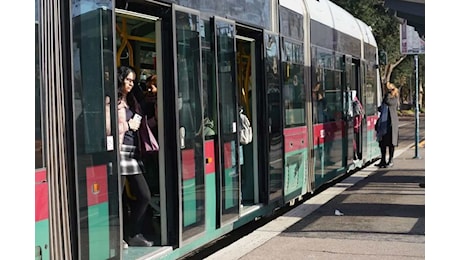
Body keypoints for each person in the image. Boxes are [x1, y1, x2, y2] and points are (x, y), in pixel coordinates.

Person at [117, 66, 153, 247]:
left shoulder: (131, 101)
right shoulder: (112, 101)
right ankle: (121, 237)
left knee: (144, 195)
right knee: (118, 198)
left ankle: (131, 233)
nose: (131, 84)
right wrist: (128, 126)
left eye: (133, 81)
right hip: (119, 154)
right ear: (120, 79)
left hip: (132, 154)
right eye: (128, 80)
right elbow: (107, 128)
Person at [375, 82, 399, 168]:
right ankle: (383, 160)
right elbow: (382, 108)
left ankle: (391, 160)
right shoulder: (386, 98)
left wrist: (387, 94)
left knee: (391, 143)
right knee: (382, 143)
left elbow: (388, 102)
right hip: (383, 124)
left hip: (391, 124)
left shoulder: (394, 98)